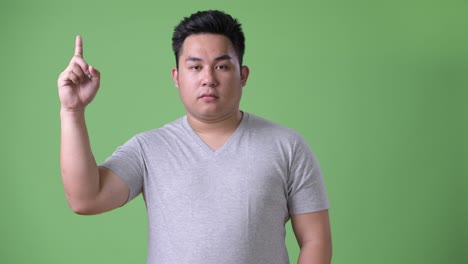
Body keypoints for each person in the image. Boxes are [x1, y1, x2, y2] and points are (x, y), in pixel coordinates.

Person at [58, 10, 332, 264]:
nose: (208, 79)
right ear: (176, 76)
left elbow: (315, 240)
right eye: (195, 67)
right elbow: (86, 199)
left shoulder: (287, 147)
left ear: (243, 75)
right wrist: (72, 110)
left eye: (222, 67)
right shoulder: (148, 148)